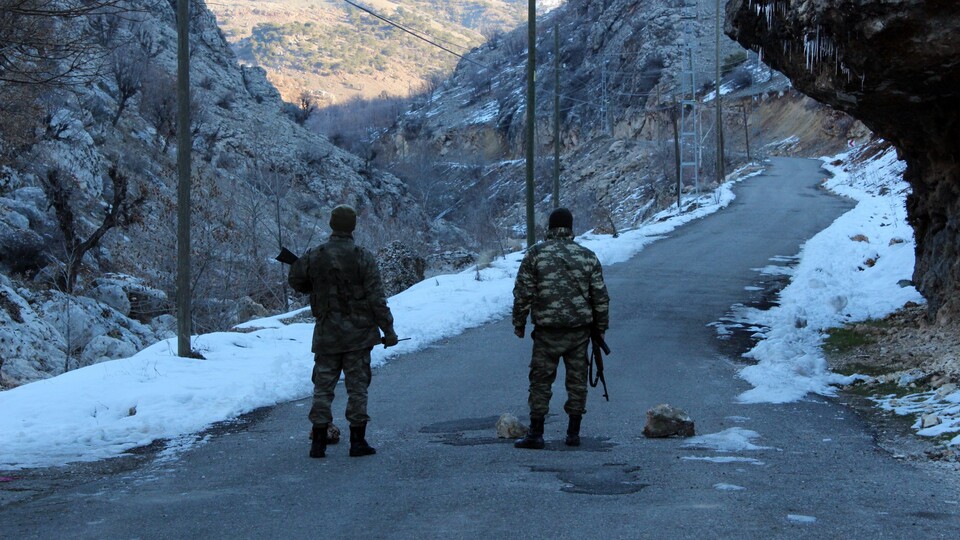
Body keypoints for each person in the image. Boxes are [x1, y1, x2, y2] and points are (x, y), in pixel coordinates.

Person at [288, 204, 399, 459]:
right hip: (359, 336)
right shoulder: (363, 257)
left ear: (331, 224)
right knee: (357, 388)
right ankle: (358, 442)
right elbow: (376, 298)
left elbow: (296, 280)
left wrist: (316, 285)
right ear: (353, 226)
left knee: (323, 388)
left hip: (327, 335)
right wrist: (389, 331)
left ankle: (318, 443)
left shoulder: (315, 255)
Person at [512, 208, 609, 449]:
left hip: (547, 332)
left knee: (540, 381)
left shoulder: (536, 254)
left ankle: (536, 434)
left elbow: (523, 292)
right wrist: (601, 328)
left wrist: (519, 323)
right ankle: (573, 433)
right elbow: (600, 296)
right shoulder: (587, 256)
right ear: (570, 228)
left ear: (550, 227)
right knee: (577, 381)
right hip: (579, 331)